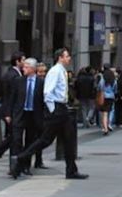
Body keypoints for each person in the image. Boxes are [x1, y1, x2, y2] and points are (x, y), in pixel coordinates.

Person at [11, 47, 88, 180]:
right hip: (57, 109)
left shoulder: (62, 71)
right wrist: (53, 110)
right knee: (45, 140)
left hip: (62, 108)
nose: (69, 58)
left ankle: (71, 170)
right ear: (60, 58)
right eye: (67, 56)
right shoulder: (54, 72)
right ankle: (21, 158)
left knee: (69, 139)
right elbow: (48, 92)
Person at [11, 58, 45, 176]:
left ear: (33, 69)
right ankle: (14, 166)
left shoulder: (41, 82)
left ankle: (26, 166)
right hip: (21, 113)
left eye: (26, 67)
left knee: (30, 141)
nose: (23, 69)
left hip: (33, 114)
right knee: (16, 140)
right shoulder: (19, 81)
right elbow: (13, 99)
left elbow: (42, 101)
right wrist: (9, 114)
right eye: (23, 67)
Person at [96, 66, 116, 134]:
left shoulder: (103, 79)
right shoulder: (113, 79)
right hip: (111, 96)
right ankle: (109, 123)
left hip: (104, 96)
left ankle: (105, 128)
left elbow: (100, 86)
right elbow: (115, 88)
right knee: (111, 110)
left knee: (104, 113)